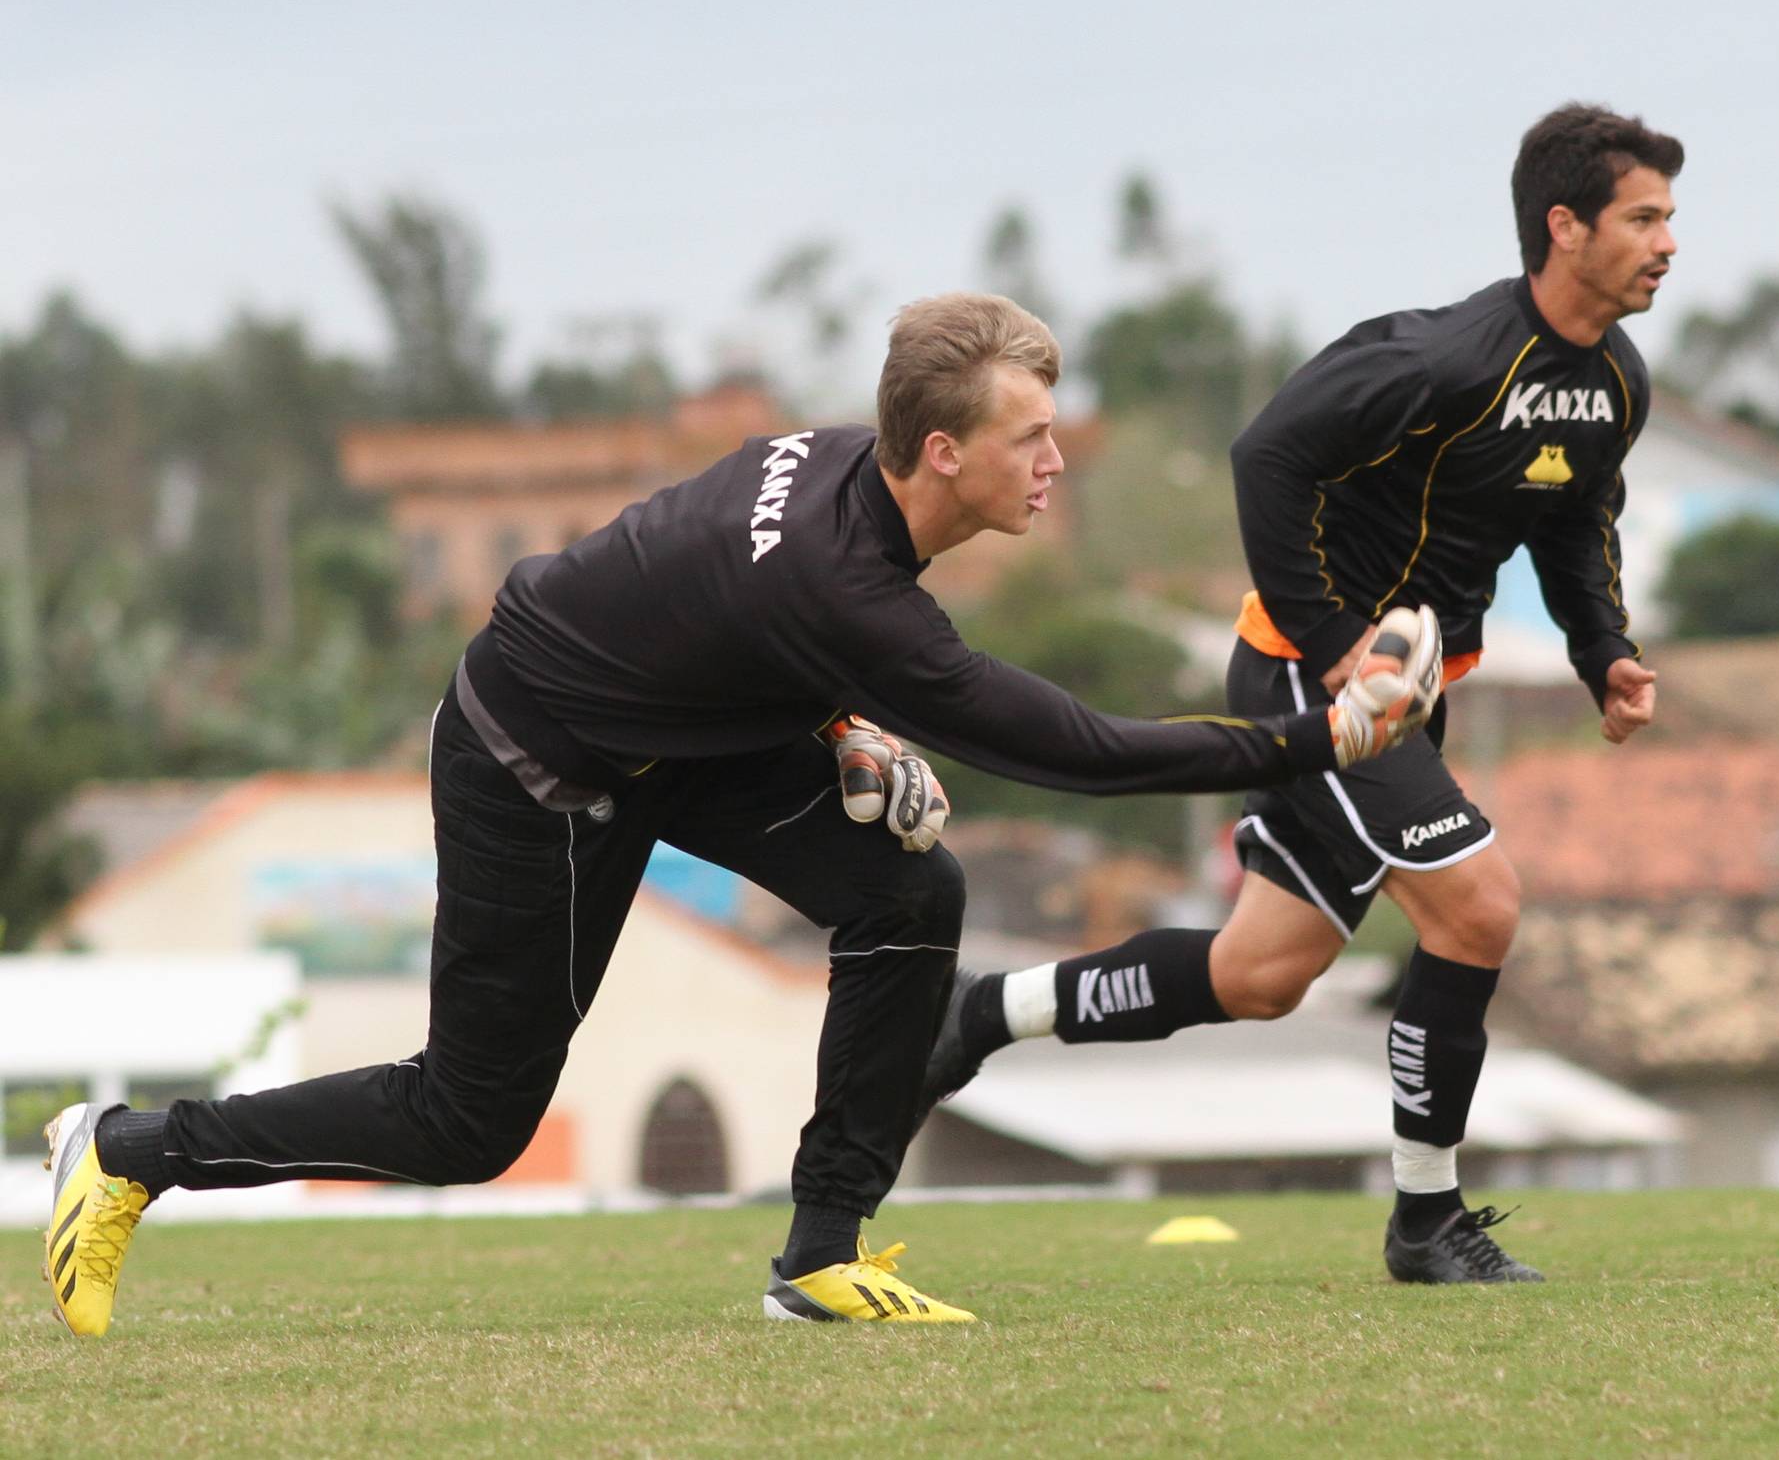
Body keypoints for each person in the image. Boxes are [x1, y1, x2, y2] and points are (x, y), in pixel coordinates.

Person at [42, 292, 1441, 1336]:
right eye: (1029, 438)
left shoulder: (841, 470)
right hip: (533, 760)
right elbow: (1081, 750)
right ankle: (123, 1151)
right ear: (941, 449)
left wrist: (838, 723)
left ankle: (821, 1255)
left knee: (911, 891)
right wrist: (1321, 736)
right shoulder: (852, 588)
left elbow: (700, 604)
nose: (1053, 462)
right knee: (470, 1121)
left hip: (663, 735)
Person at [915, 104, 1680, 1284]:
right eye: (1643, 219)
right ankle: (1426, 1220)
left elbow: (1576, 519)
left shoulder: (1614, 382)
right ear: (1564, 227)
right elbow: (1265, 455)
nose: (1667, 243)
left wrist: (1603, 651)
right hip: (1305, 676)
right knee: (1477, 908)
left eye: (1669, 219)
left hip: (1409, 694)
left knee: (1258, 976)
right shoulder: (1439, 359)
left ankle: (980, 1013)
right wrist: (1332, 651)